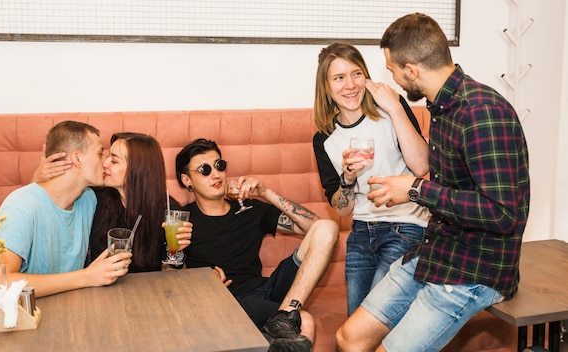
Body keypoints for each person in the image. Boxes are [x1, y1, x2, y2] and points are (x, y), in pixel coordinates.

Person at [336, 13, 530, 351]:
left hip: (476, 269)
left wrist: (414, 189)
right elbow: (451, 191)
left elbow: (503, 213)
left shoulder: (482, 112)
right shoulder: (442, 108)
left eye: (393, 70)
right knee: (348, 338)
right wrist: (410, 192)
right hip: (439, 251)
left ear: (412, 69)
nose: (394, 79)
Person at [175, 138, 339, 351]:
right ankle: (283, 321)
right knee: (305, 321)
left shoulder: (249, 208)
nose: (216, 174)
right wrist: (203, 282)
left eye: (220, 166)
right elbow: (169, 276)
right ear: (187, 179)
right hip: (229, 299)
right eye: (204, 169)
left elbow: (317, 229)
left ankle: (282, 319)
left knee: (328, 227)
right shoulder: (182, 221)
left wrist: (266, 193)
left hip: (267, 287)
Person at [312, 42, 431, 315]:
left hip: (407, 226)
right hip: (361, 233)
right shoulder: (324, 139)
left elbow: (421, 165)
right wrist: (348, 178)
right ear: (327, 87)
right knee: (356, 321)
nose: (350, 85)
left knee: (374, 317)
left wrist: (396, 108)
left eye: (356, 74)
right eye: (338, 78)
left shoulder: (390, 109)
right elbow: (342, 210)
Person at [0, 121, 132, 298]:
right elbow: (1, 283)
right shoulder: (20, 206)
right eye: (100, 154)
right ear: (77, 158)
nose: (105, 162)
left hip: (74, 310)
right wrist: (86, 277)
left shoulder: (89, 200)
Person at [32, 132, 192, 273]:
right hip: (98, 291)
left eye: (114, 161)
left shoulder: (169, 214)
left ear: (138, 170)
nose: (105, 163)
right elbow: (50, 204)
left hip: (145, 295)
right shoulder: (95, 197)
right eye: (106, 156)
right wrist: (37, 179)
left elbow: (172, 270)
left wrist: (177, 250)